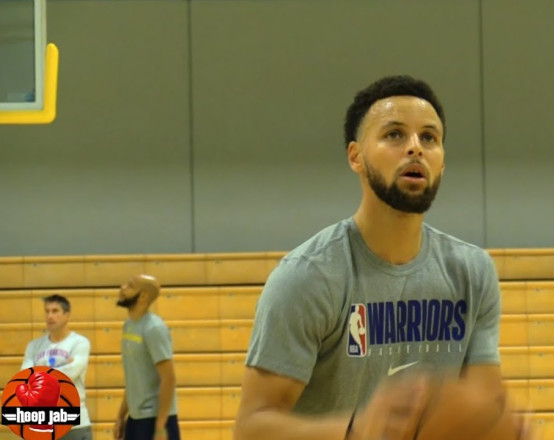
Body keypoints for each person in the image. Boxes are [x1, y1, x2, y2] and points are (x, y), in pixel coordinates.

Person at [235, 75, 532, 440]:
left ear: (442, 162)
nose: (415, 148)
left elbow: (481, 404)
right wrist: (357, 431)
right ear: (356, 157)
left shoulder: (472, 272)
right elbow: (252, 428)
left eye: (429, 138)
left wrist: (499, 427)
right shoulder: (309, 276)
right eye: (394, 134)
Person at [112, 274, 180, 440]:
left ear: (143, 296)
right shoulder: (129, 326)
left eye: (130, 286)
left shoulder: (154, 329)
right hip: (135, 419)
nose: (123, 288)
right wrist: (121, 415)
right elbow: (134, 378)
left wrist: (160, 427)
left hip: (155, 419)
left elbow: (169, 378)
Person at [21, 294, 92, 440]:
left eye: (55, 311)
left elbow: (71, 372)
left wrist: (38, 374)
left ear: (67, 315)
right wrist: (62, 368)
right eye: (47, 311)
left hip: (75, 424)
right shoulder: (34, 346)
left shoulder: (80, 343)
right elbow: (24, 377)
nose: (50, 316)